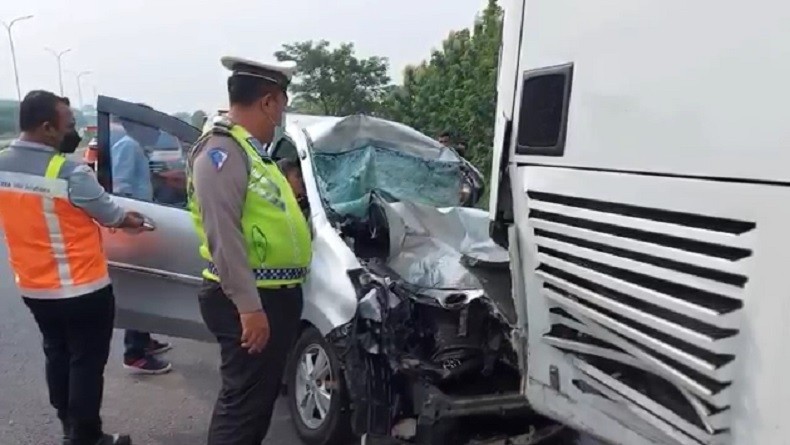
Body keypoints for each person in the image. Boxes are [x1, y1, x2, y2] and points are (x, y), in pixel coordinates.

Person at [0, 90, 153, 445]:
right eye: (68, 126)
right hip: (81, 288)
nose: (74, 132)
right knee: (85, 362)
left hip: (34, 287)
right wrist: (136, 220)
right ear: (46, 128)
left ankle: (69, 424)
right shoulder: (68, 171)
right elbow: (111, 213)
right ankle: (85, 437)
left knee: (56, 353)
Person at [187, 56, 312, 445]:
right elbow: (223, 235)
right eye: (282, 104)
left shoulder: (253, 152)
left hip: (269, 298)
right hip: (251, 300)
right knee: (242, 406)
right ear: (269, 101)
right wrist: (249, 307)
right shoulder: (221, 152)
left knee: (255, 404)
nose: (282, 114)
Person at [110, 117, 173, 375]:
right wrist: (132, 221)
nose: (156, 132)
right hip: (134, 228)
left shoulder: (136, 148)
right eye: (153, 126)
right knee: (139, 288)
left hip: (142, 224)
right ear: (138, 126)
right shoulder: (128, 147)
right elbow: (122, 188)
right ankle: (134, 352)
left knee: (147, 285)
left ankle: (143, 340)